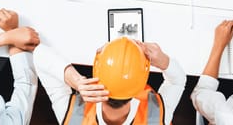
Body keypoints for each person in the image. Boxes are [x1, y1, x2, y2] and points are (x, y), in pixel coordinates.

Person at [34, 37, 186, 124]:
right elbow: (177, 80)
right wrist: (163, 60)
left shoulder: (72, 115)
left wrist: (77, 81)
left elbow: (40, 54)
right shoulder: (158, 115)